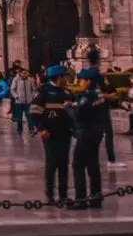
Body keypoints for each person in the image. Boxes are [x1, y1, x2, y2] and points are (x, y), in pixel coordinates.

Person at [31, 65, 74, 204]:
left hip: (65, 133)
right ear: (59, 77)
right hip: (50, 134)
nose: (67, 79)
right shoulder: (43, 92)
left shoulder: (67, 92)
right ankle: (50, 194)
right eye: (65, 76)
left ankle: (63, 195)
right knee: (52, 163)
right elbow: (35, 112)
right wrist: (42, 129)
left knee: (64, 164)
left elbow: (71, 113)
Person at [71, 49, 106, 209]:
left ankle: (80, 198)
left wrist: (69, 109)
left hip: (86, 132)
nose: (79, 82)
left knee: (78, 164)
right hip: (98, 131)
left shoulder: (87, 96)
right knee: (93, 164)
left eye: (82, 80)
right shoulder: (98, 95)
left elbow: (79, 116)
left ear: (87, 81)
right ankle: (96, 196)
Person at [10, 68, 35, 136]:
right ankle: (20, 129)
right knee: (19, 117)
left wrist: (32, 96)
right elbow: (12, 89)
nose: (25, 74)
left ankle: (31, 130)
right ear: (20, 73)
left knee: (29, 116)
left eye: (26, 73)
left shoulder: (31, 79)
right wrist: (16, 96)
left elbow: (33, 89)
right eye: (24, 73)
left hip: (28, 101)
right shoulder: (16, 79)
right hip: (19, 102)